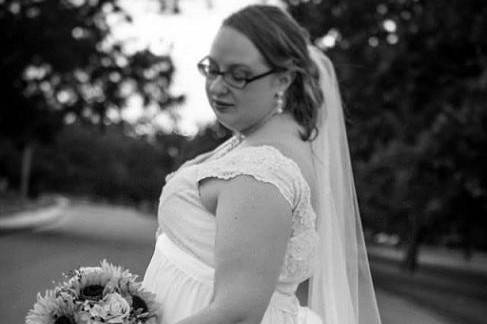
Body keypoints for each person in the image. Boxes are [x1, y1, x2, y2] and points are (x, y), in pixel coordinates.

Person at [142, 4, 382, 324]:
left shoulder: (260, 173)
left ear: (282, 80)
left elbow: (235, 315)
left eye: (239, 76)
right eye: (212, 69)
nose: (217, 87)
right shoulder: (257, 140)